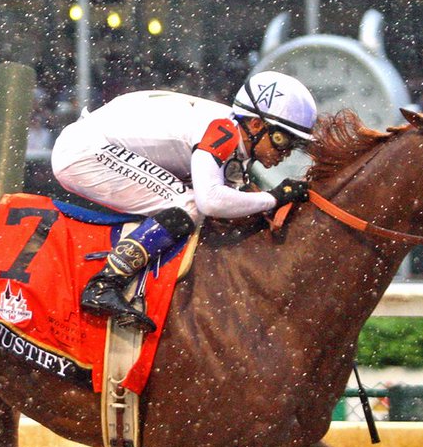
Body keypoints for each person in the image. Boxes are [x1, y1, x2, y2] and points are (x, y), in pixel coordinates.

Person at [51, 71, 317, 331]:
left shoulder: (234, 141)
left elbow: (236, 200)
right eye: (283, 140)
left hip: (97, 146)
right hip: (85, 151)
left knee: (193, 205)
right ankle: (105, 283)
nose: (286, 154)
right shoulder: (222, 129)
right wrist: (273, 197)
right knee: (188, 204)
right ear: (256, 125)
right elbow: (210, 201)